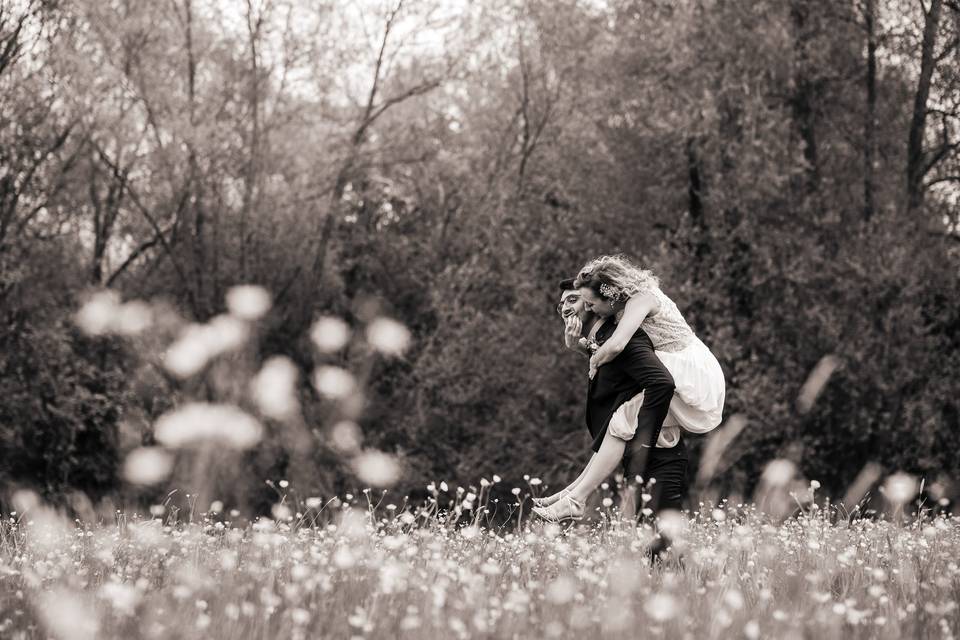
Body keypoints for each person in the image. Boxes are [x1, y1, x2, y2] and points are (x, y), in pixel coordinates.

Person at [533, 256, 724, 522]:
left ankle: (576, 499)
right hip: (677, 367)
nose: (591, 309)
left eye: (590, 304)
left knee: (620, 421)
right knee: (619, 423)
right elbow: (607, 348)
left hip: (691, 373)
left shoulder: (641, 300)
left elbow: (617, 345)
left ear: (610, 296)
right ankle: (571, 494)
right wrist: (578, 346)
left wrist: (594, 362)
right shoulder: (623, 305)